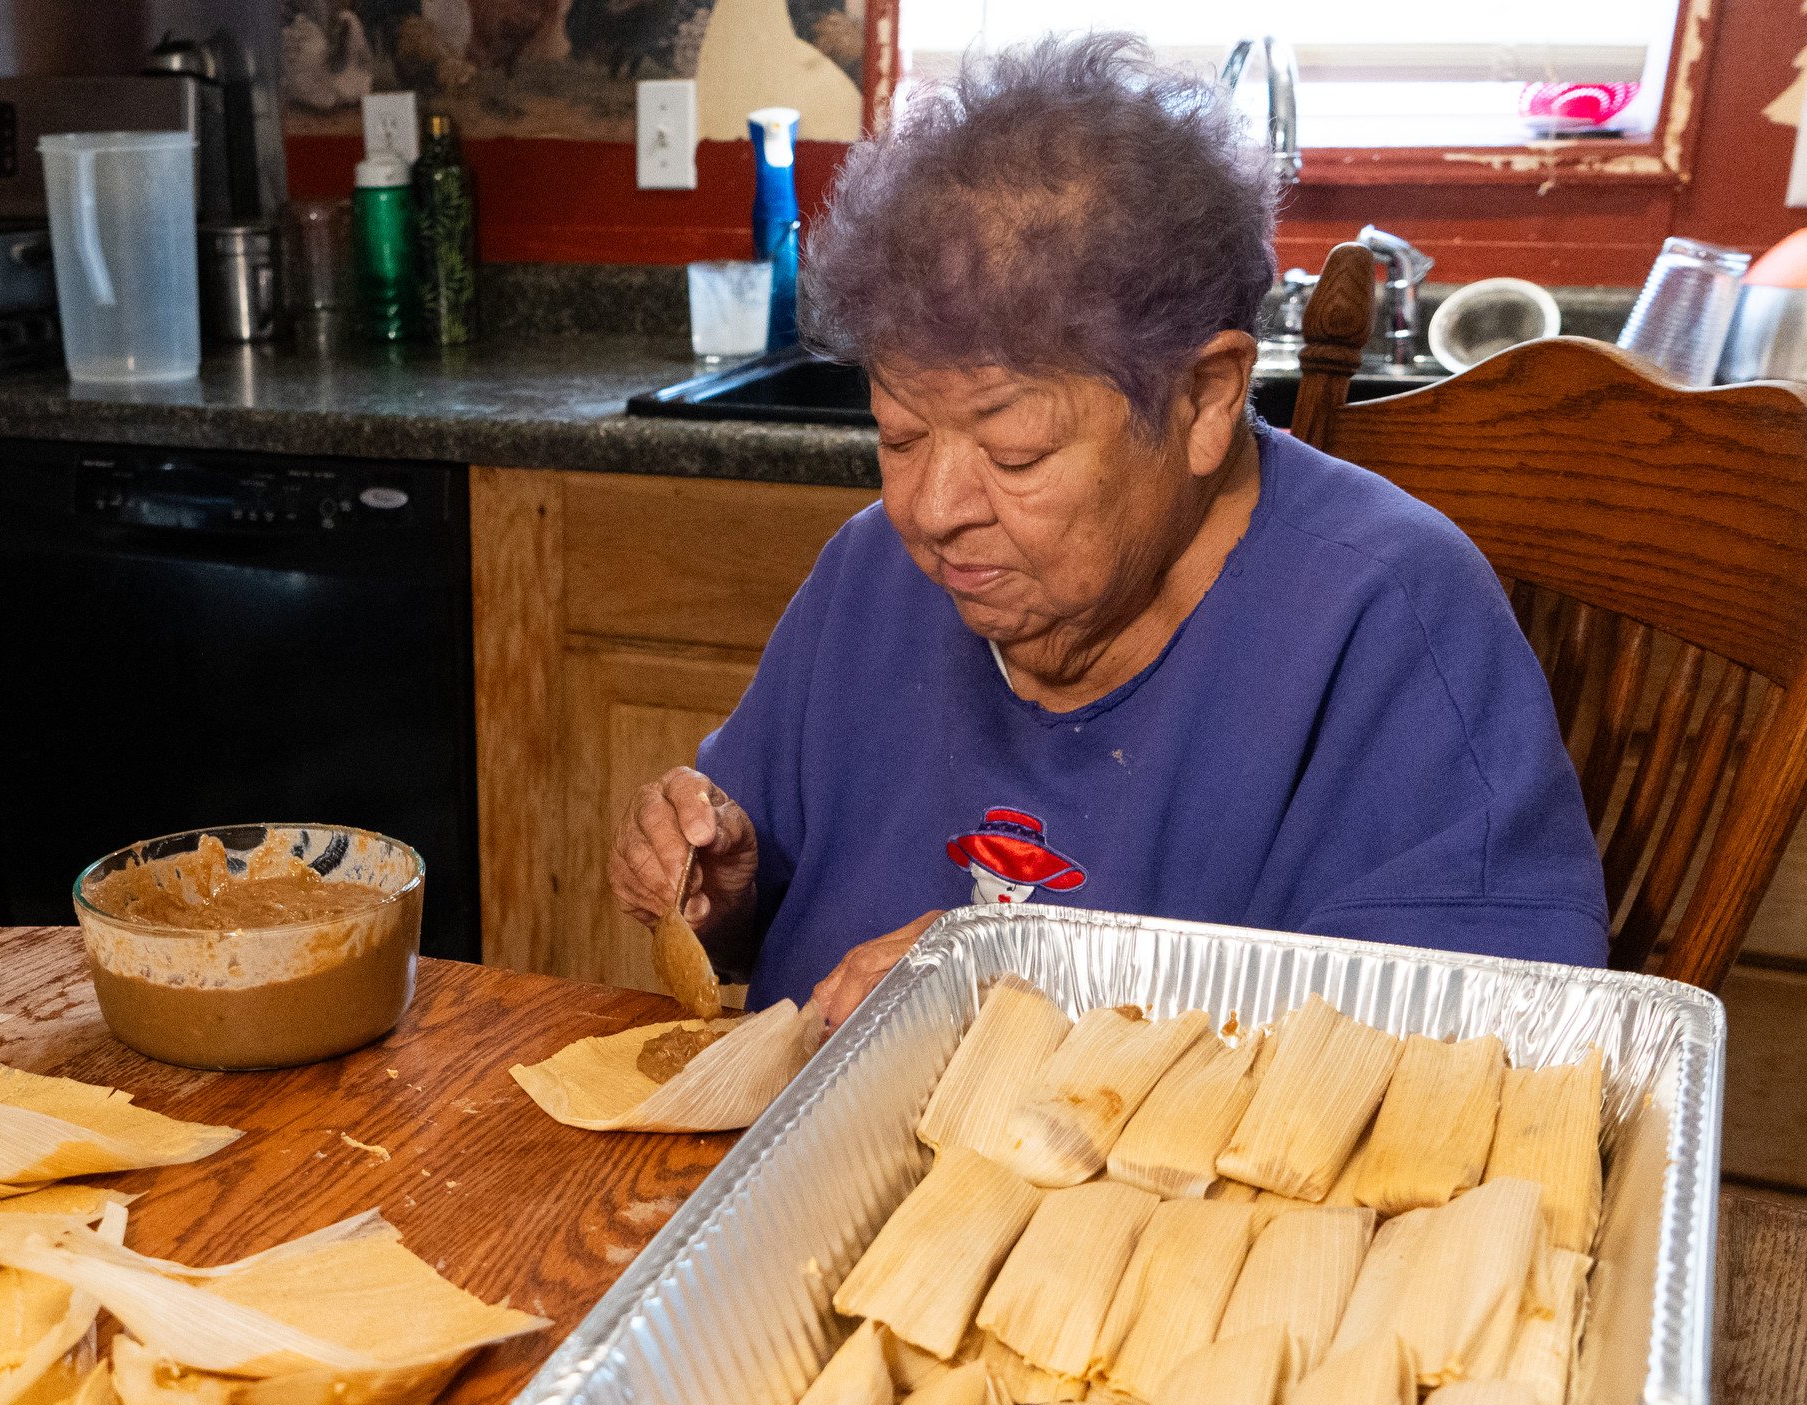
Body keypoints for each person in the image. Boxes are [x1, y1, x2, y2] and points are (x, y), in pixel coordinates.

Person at [609, 35, 1606, 1029]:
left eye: (1016, 450)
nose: (931, 507)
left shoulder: (1389, 620)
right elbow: (759, 907)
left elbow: (1489, 1048)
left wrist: (1023, 980)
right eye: (901, 432)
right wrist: (725, 878)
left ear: (1205, 400)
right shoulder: (872, 573)